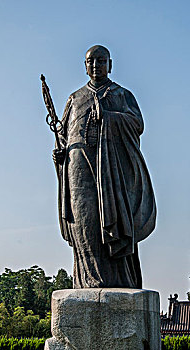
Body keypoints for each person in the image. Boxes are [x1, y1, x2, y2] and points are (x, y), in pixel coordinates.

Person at [52, 45, 156, 289]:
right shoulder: (75, 99)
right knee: (84, 223)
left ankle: (118, 281)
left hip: (111, 169)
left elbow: (137, 124)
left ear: (110, 64)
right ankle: (87, 281)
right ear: (85, 65)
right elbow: (63, 135)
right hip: (77, 169)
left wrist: (109, 117)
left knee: (111, 221)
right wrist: (59, 155)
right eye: (91, 61)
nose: (96, 66)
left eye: (101, 61)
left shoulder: (120, 94)